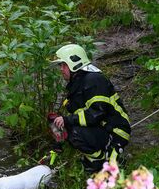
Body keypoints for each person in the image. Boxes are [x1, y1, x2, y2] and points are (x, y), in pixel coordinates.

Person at [49, 44, 131, 172]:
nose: (61, 69)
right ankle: (97, 159)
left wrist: (68, 120)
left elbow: (96, 113)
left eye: (63, 65)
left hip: (115, 131)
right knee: (60, 123)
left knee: (75, 131)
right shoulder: (78, 83)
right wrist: (60, 131)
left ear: (73, 63)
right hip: (102, 127)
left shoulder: (94, 80)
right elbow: (79, 113)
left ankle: (102, 160)